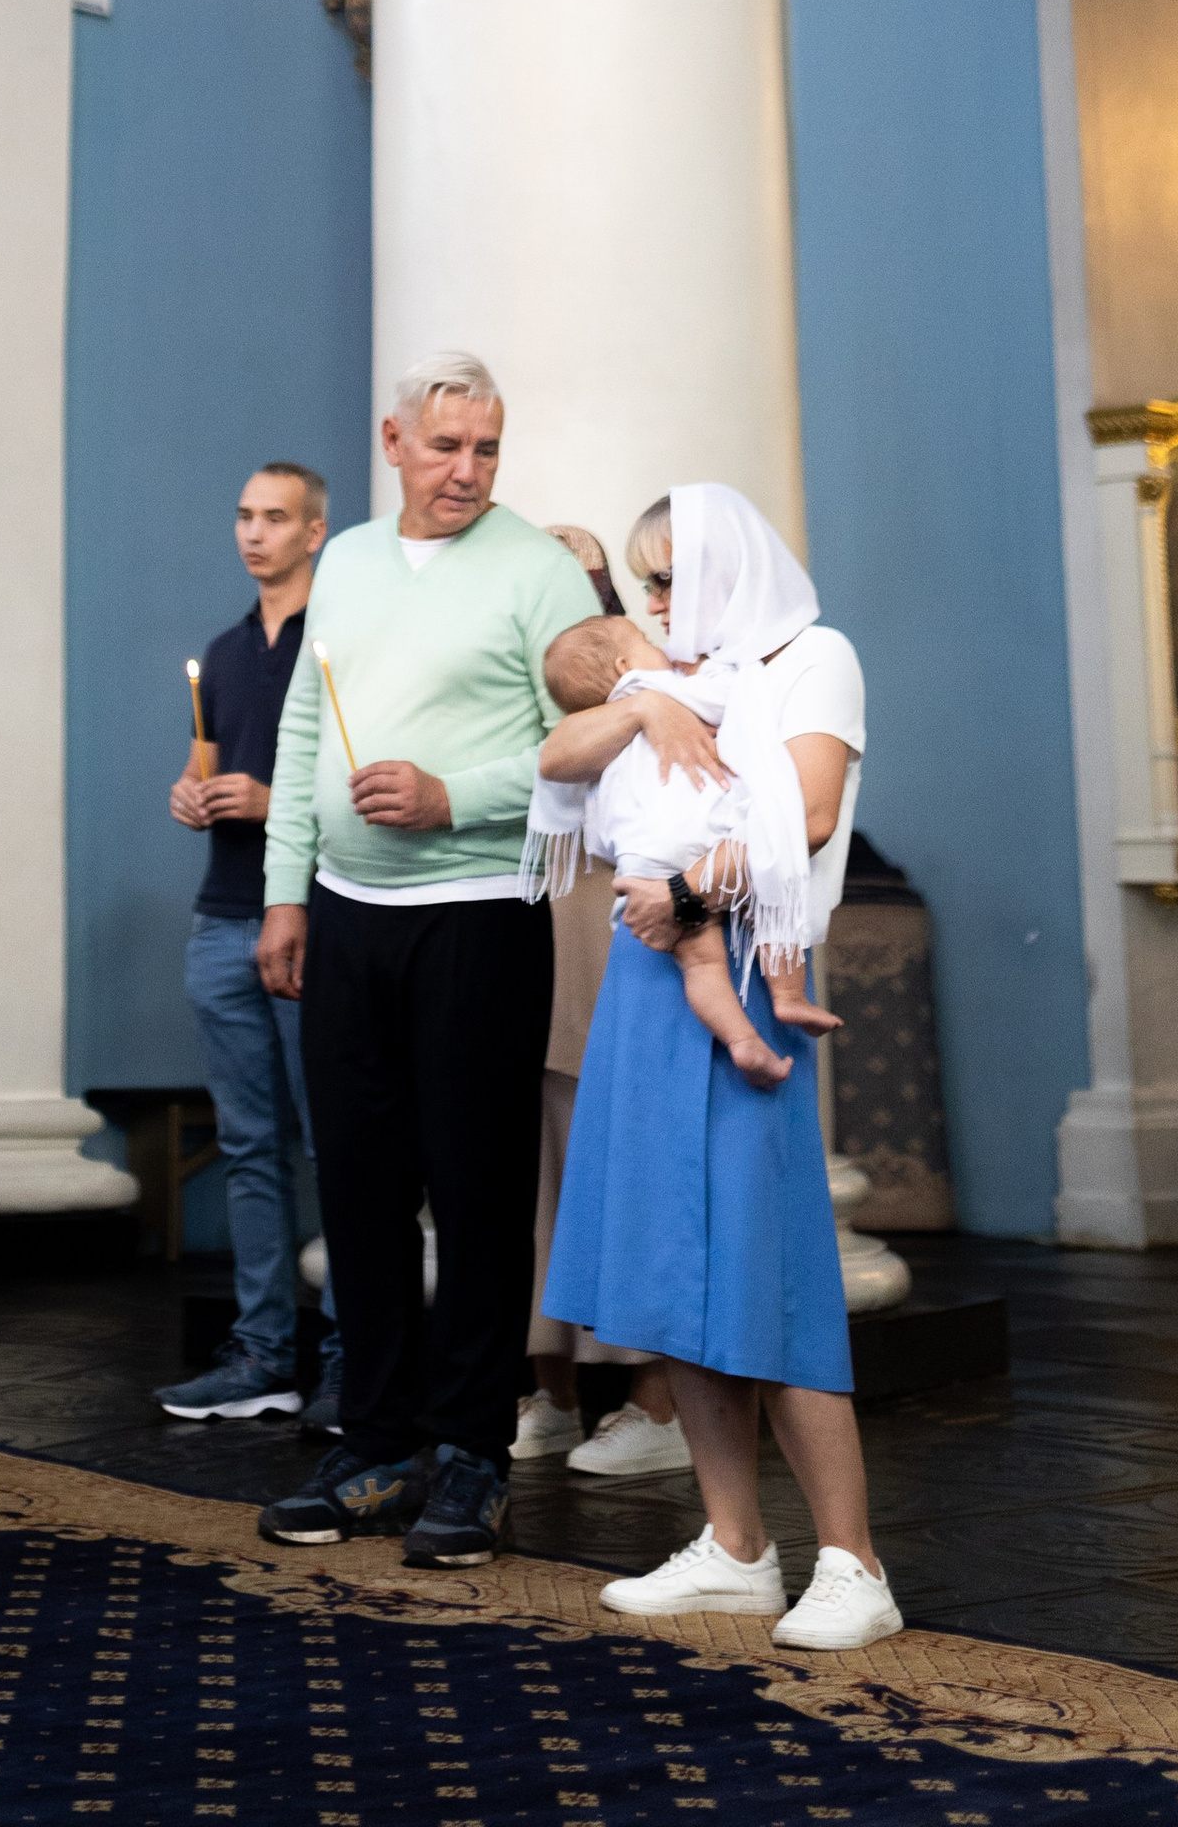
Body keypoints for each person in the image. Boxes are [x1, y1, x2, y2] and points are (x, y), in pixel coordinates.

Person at [251, 351, 603, 1568]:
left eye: (487, 448)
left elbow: (592, 739)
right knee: (357, 1187)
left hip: (477, 913)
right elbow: (305, 725)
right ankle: (377, 1445)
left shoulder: (538, 572)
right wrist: (283, 893)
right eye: (445, 446)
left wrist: (458, 793)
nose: (467, 471)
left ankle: (470, 1456)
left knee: (477, 1193)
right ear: (393, 442)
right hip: (345, 914)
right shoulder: (342, 560)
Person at [535, 483, 901, 1652]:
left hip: (740, 966)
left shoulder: (814, 656)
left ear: (727, 571)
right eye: (640, 581)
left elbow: (805, 807)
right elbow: (555, 751)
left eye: (665, 580)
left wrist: (684, 891)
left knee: (764, 1266)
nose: (649, 604)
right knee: (667, 1267)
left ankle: (853, 1563)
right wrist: (640, 714)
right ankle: (736, 1545)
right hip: (653, 980)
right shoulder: (690, 681)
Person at [153, 462, 342, 1428]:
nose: (253, 532)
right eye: (243, 515)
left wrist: (275, 803)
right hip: (221, 913)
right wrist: (193, 795)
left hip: (309, 914)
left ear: (315, 532)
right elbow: (202, 765)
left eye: (275, 517)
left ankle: (352, 1355)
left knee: (338, 1141)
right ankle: (266, 1351)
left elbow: (354, 779)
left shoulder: (338, 643)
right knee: (249, 1146)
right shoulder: (226, 651)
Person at [517, 533, 693, 1486]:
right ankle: (549, 1390)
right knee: (539, 1176)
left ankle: (655, 1401)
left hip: (616, 927)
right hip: (536, 932)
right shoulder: (532, 664)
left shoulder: (641, 670)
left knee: (624, 1164)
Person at [524, 604, 841, 1085]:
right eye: (644, 643)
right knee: (773, 906)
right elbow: (732, 697)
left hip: (642, 861)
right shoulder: (660, 690)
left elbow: (557, 775)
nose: (661, 647)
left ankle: (742, 1041)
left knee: (700, 960)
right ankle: (788, 997)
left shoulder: (603, 724)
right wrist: (728, 675)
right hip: (701, 836)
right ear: (623, 670)